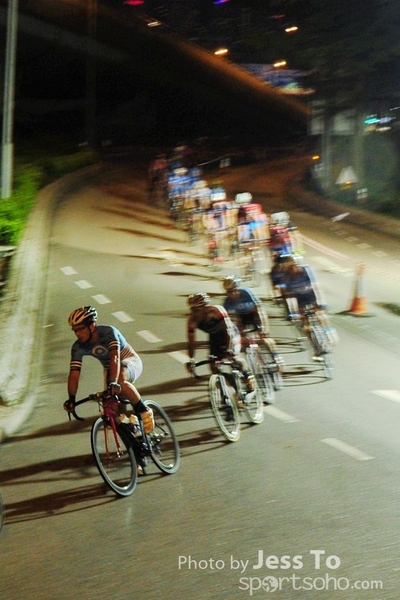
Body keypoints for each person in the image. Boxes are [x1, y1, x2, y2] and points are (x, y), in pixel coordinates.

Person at [63, 306, 154, 433]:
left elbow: (115, 358)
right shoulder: (78, 347)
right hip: (110, 369)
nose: (77, 334)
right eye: (75, 330)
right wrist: (71, 398)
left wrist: (113, 382)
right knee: (111, 413)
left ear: (92, 325)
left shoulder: (108, 332)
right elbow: (74, 374)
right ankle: (134, 432)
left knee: (120, 380)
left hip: (129, 361)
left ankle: (144, 410)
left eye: (81, 329)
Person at [186, 292, 255, 394]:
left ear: (206, 307)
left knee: (234, 358)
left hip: (230, 334)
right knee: (213, 365)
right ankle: (225, 388)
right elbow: (191, 342)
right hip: (215, 337)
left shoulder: (216, 311)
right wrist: (191, 359)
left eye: (197, 310)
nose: (195, 313)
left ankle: (248, 376)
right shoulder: (192, 320)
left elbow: (228, 330)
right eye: (193, 310)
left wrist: (229, 349)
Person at [280, 256, 339, 351]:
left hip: (311, 294)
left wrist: (321, 302)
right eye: (290, 268)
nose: (294, 269)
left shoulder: (307, 270)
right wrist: (293, 313)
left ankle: (330, 333)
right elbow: (289, 297)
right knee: (305, 326)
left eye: (295, 266)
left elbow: (316, 286)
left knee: (321, 315)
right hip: (299, 298)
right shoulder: (286, 277)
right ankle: (315, 348)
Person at [222, 275, 282, 366]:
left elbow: (259, 310)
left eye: (234, 290)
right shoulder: (227, 301)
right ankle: (254, 361)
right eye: (229, 292)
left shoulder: (246, 293)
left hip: (254, 314)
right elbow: (227, 320)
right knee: (240, 340)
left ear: (238, 289)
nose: (232, 294)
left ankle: (276, 357)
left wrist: (263, 328)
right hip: (241, 318)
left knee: (263, 337)